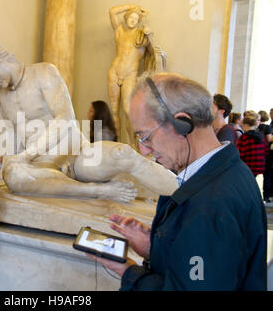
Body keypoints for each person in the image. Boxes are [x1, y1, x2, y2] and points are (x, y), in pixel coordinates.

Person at [89, 73, 267, 290]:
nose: (144, 150)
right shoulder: (229, 171)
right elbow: (205, 267)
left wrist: (129, 273)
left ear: (182, 123)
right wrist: (158, 247)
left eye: (146, 137)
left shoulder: (211, 206)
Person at [0, 43, 179, 202]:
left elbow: (65, 119)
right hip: (43, 168)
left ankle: (188, 194)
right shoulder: (1, 93)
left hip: (78, 157)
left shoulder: (43, 73)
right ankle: (96, 191)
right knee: (12, 174)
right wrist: (8, 165)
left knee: (123, 154)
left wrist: (25, 156)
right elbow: (14, 134)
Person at [107, 4, 165, 146]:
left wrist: (149, 33)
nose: (132, 20)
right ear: (126, 18)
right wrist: (132, 7)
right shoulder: (119, 31)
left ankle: (133, 145)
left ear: (139, 20)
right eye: (130, 17)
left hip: (130, 74)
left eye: (136, 18)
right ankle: (117, 144)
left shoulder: (141, 35)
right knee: (113, 111)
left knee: (127, 110)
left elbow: (154, 51)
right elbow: (112, 11)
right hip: (114, 71)